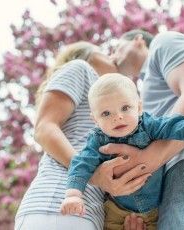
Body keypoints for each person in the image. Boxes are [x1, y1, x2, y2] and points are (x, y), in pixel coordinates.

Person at [14, 41, 152, 230]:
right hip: (56, 201)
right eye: (104, 53)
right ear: (87, 57)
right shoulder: (81, 69)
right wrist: (93, 176)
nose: (112, 57)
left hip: (85, 213)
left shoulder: (111, 114)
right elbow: (44, 128)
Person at [100, 30, 184, 229]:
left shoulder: (163, 42)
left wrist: (146, 161)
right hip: (175, 180)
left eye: (117, 48)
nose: (112, 57)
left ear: (138, 40)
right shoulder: (142, 94)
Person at [60, 73, 184, 230]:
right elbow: (81, 163)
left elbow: (175, 125)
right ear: (95, 120)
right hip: (117, 212)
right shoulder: (98, 140)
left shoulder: (148, 125)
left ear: (138, 107)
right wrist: (73, 194)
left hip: (156, 211)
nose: (117, 117)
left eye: (125, 108)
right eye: (106, 113)